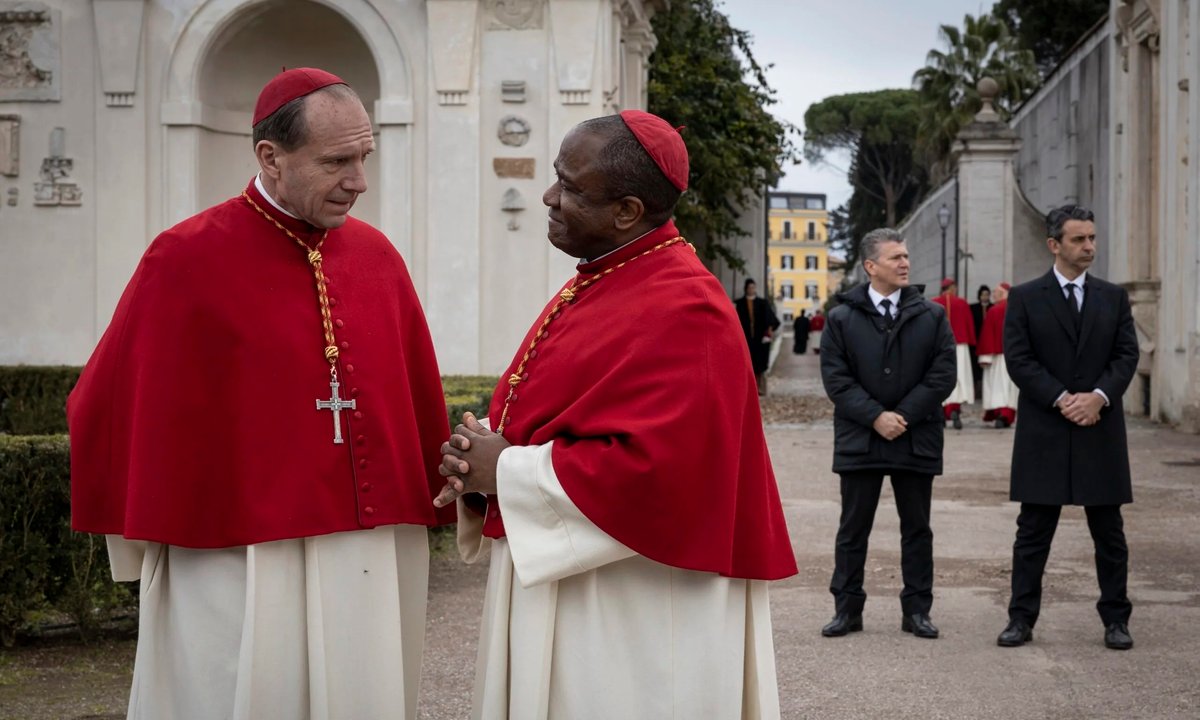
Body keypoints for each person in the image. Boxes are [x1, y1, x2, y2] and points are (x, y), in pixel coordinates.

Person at [68, 68, 453, 720]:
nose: (359, 180)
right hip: (236, 556)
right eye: (337, 161)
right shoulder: (185, 258)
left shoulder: (378, 258)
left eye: (364, 157)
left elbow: (411, 403)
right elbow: (107, 406)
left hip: (364, 552)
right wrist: (146, 526)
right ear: (270, 158)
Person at [433, 110, 797, 718]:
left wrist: (509, 473)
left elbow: (661, 473)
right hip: (578, 578)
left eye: (571, 187)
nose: (549, 197)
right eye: (555, 176)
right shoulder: (608, 275)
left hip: (635, 605)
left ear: (627, 211)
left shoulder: (688, 305)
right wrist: (481, 466)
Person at [996, 205, 1139, 651]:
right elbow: (1019, 360)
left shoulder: (1113, 297)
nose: (1089, 247)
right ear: (1054, 244)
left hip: (1100, 427)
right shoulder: (1024, 297)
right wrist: (1062, 399)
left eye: (1092, 238)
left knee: (1109, 533)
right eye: (1079, 240)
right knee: (1033, 532)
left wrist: (1098, 397)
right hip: (1045, 429)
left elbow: (1126, 355)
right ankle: (1020, 619)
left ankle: (1116, 619)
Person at [818, 228, 957, 641]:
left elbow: (943, 374)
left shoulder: (932, 315)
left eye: (906, 256)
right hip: (862, 439)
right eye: (895, 257)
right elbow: (836, 380)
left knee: (917, 528)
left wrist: (904, 416)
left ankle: (917, 611)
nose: (905, 264)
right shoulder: (841, 318)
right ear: (870, 266)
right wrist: (876, 417)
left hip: (915, 437)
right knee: (853, 528)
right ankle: (847, 609)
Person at [931, 278, 976, 428]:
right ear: (951, 288)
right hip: (959, 345)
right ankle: (955, 410)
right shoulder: (961, 303)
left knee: (939, 375)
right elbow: (969, 324)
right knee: (959, 376)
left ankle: (942, 413)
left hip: (938, 345)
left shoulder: (933, 302)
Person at [977, 282, 1018, 428]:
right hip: (1015, 356)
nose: (993, 295)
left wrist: (985, 357)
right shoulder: (1017, 308)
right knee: (1010, 388)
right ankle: (1007, 415)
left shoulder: (994, 310)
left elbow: (987, 335)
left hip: (998, 357)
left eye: (996, 292)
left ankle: (1001, 415)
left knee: (998, 387)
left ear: (1002, 294)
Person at [735, 278, 781, 395]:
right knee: (746, 364)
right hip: (746, 339)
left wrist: (769, 329)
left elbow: (772, 320)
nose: (752, 290)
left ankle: (759, 388)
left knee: (760, 364)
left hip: (760, 340)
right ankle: (748, 388)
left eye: (753, 287)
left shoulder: (762, 303)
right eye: (750, 288)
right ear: (746, 289)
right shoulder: (740, 304)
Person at [970, 285, 992, 400]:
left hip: (988, 341)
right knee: (975, 367)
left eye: (987, 295)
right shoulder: (973, 308)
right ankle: (976, 391)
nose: (985, 297)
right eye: (983, 295)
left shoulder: (993, 307)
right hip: (976, 341)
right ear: (979, 296)